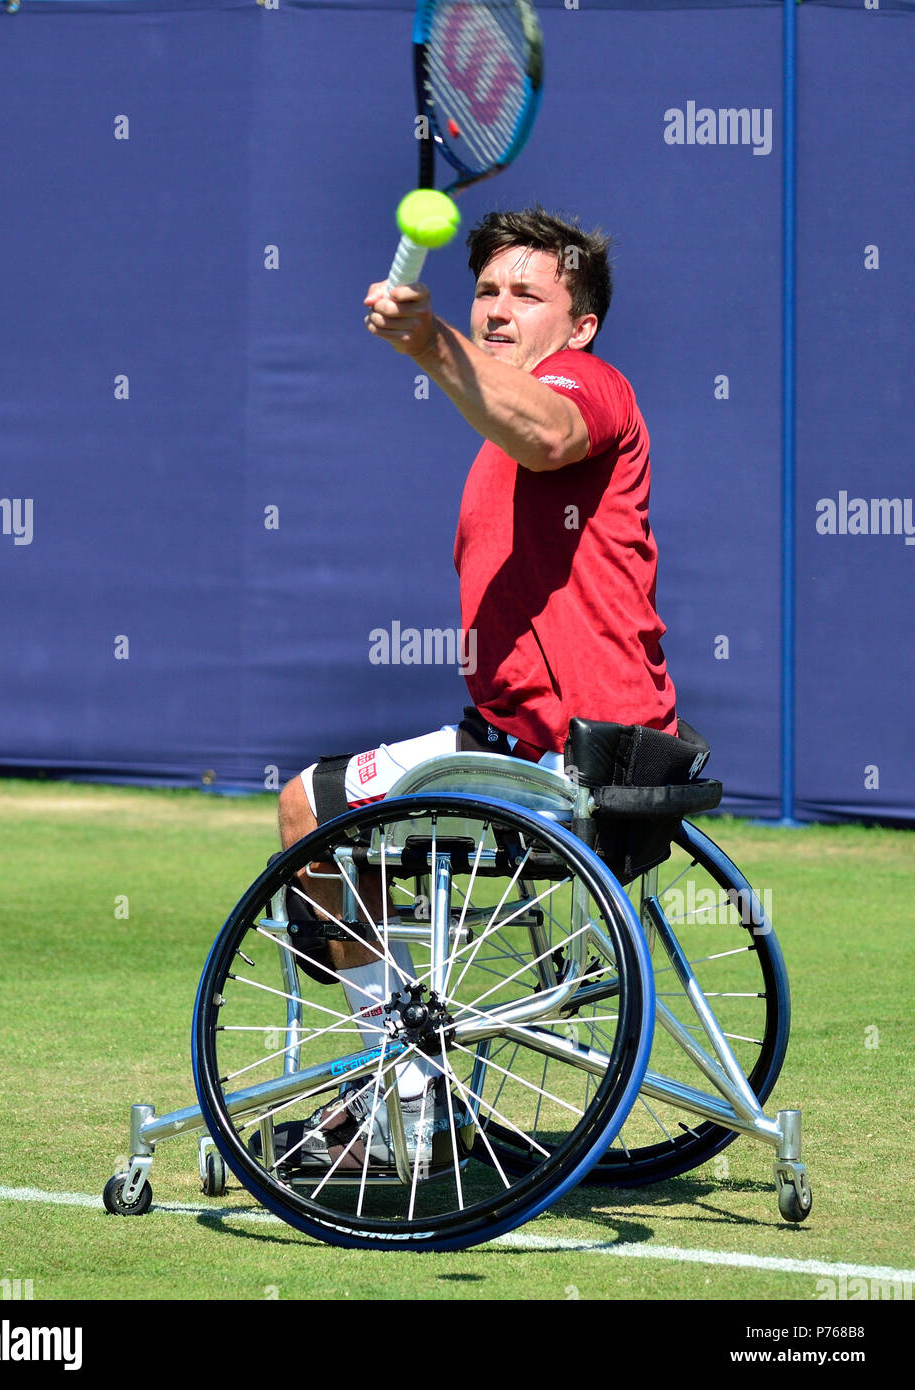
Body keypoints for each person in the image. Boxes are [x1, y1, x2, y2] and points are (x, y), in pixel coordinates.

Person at [264, 208, 678, 1170]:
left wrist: (428, 338)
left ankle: (404, 1089)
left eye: (526, 294)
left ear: (578, 326)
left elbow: (543, 430)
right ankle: (405, 1073)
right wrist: (441, 351)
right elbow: (507, 418)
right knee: (337, 817)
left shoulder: (586, 384)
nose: (497, 309)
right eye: (485, 291)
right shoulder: (492, 420)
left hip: (568, 758)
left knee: (305, 809)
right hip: (529, 742)